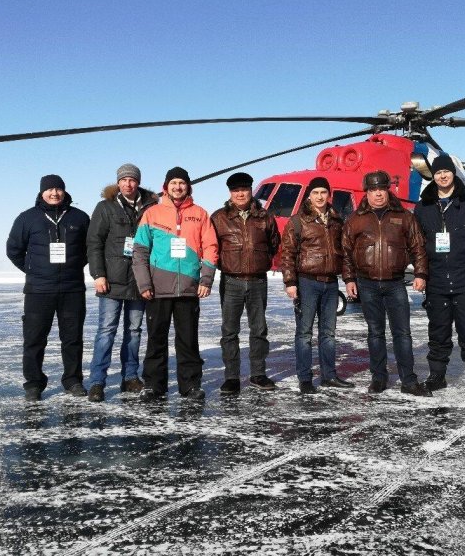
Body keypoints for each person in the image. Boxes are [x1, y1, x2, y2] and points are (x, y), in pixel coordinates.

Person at [132, 167, 218, 402]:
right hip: (158, 289)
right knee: (156, 339)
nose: (178, 187)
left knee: (188, 340)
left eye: (182, 183)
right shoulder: (152, 213)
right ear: (165, 187)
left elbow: (210, 247)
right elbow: (139, 252)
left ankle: (190, 385)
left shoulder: (200, 214)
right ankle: (153, 385)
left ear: (188, 186)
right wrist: (144, 283)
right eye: (173, 183)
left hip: (189, 288)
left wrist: (206, 278)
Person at [343, 170, 431, 396]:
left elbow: (418, 247)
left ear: (387, 190)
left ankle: (408, 380)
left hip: (395, 284)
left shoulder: (403, 216)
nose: (378, 194)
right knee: (375, 332)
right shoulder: (355, 219)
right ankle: (379, 378)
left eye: (382, 189)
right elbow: (346, 252)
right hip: (367, 283)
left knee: (402, 333)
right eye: (373, 190)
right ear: (367, 192)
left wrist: (420, 274)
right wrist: (349, 278)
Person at [6, 174, 90, 401]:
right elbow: (13, 249)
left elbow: (89, 250)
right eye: (50, 189)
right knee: (34, 339)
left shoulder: (79, 218)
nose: (54, 193)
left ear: (64, 191)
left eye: (58, 189)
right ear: (42, 192)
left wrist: (72, 268)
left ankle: (72, 380)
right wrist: (34, 270)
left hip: (72, 289)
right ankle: (33, 384)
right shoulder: (27, 218)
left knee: (72, 339)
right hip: (38, 291)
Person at [415, 154, 465, 397]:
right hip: (436, 281)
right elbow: (416, 244)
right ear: (433, 176)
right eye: (438, 172)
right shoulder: (423, 206)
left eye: (446, 171)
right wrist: (421, 273)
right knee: (438, 333)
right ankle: (437, 376)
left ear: (453, 173)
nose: (442, 176)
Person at [85, 163, 158, 402]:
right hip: (112, 282)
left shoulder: (150, 208)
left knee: (134, 331)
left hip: (138, 281)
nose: (128, 184)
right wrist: (98, 275)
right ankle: (97, 381)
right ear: (118, 183)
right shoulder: (105, 208)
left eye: (132, 180)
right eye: (124, 180)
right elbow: (94, 243)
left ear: (138, 182)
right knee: (106, 331)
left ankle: (130, 377)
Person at [279, 177, 354, 395]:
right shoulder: (297, 222)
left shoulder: (337, 221)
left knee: (328, 333)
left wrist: (348, 278)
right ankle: (305, 378)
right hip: (306, 282)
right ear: (309, 196)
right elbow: (288, 255)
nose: (320, 197)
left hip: (330, 283)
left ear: (328, 195)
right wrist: (290, 282)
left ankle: (329, 375)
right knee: (304, 333)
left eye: (323, 192)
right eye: (316, 193)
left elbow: (346, 253)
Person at [211, 172, 281, 395]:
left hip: (258, 281)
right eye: (235, 190)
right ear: (230, 193)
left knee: (259, 329)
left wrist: (259, 262)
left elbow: (273, 244)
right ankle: (231, 377)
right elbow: (212, 247)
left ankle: (258, 374)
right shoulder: (219, 218)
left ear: (251, 191)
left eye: (244, 189)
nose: (240, 193)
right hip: (231, 281)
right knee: (229, 331)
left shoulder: (265, 217)